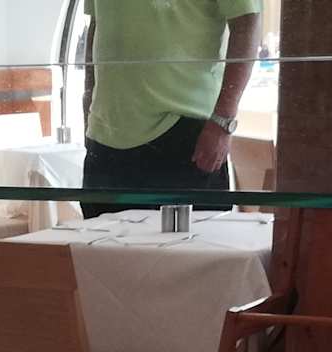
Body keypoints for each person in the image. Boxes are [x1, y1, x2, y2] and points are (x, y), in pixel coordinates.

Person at [80, 0, 261, 215]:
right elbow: (96, 25)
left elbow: (247, 22)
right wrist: (89, 103)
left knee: (194, 237)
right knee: (96, 237)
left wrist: (223, 121)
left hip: (186, 132)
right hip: (105, 135)